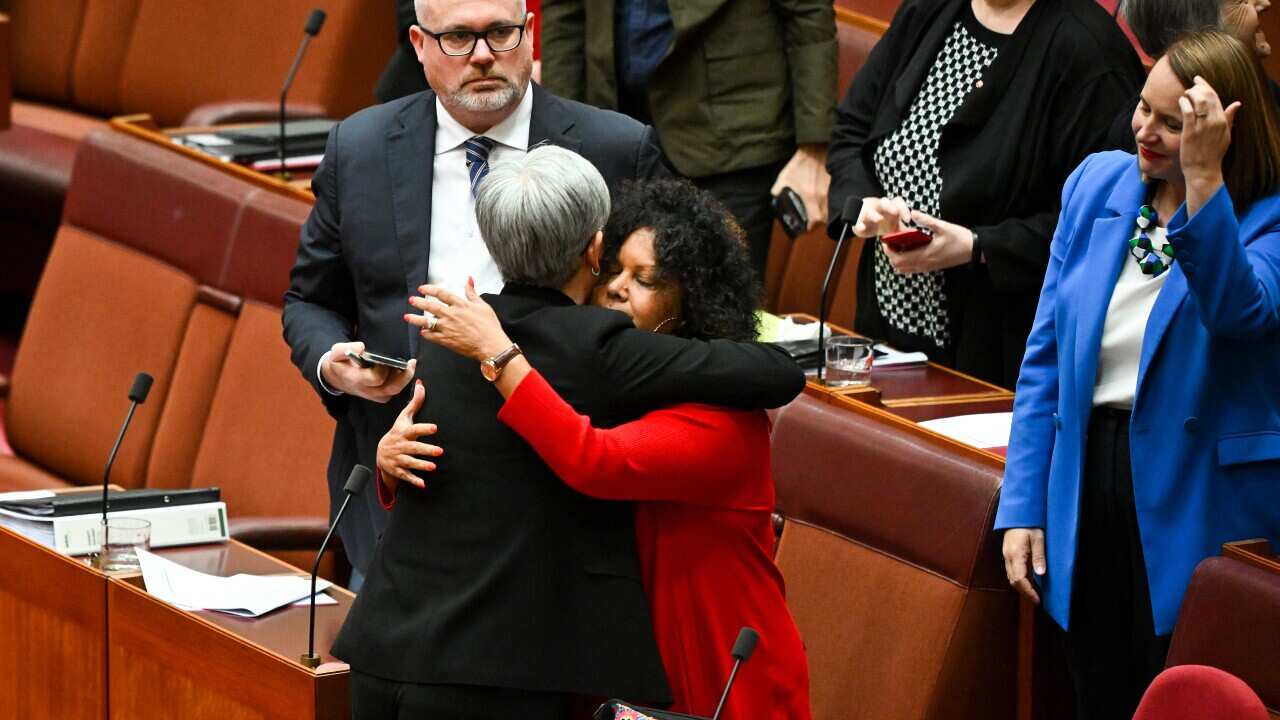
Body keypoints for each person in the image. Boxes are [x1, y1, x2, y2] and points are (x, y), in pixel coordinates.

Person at [332, 147, 806, 718]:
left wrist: (502, 356)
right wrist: (388, 463)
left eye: (646, 278)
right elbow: (479, 467)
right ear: (595, 252)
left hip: (711, 656)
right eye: (615, 272)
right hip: (582, 659)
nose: (616, 291)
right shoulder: (561, 350)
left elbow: (594, 460)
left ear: (694, 295)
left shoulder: (483, 338)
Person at [282, 0, 666, 584]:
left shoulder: (616, 149)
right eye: (458, 37)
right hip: (399, 496)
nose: (483, 55)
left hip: (555, 510)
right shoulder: (359, 148)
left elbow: (659, 310)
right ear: (418, 43)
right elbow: (310, 301)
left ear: (531, 32)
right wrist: (335, 365)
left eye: (501, 33)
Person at [996, 30, 1280, 720]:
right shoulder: (1099, 183)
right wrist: (1024, 500)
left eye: (1172, 124)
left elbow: (1237, 310)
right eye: (1143, 108)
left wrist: (1203, 183)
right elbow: (1045, 358)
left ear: (1221, 132)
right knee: (1096, 688)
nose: (1145, 132)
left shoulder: (1263, 218)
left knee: (1180, 694)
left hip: (1198, 496)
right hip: (1089, 477)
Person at [826, 0, 1145, 388]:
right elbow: (852, 128)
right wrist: (863, 203)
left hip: (1000, 352)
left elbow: (1103, 221)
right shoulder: (929, 10)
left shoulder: (1089, 50)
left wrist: (979, 246)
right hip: (885, 332)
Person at [540, 0, 837, 279]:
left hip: (731, 138)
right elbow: (565, 13)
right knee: (609, 292)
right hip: (614, 126)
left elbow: (809, 13)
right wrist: (561, 132)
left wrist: (815, 146)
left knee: (719, 309)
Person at [1109, 0, 1280, 150]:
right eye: (1241, 0)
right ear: (1198, 34)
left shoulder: (1263, 92)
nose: (1265, 3)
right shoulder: (1140, 144)